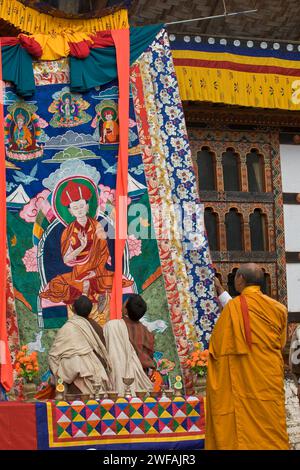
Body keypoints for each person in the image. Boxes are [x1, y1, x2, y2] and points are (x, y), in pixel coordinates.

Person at [206, 264, 289, 450]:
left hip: (243, 383)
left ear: (240, 279)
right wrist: (220, 290)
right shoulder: (278, 309)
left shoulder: (233, 309)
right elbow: (281, 344)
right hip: (269, 382)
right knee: (271, 429)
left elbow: (217, 350)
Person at [40, 180, 132, 305]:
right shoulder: (68, 232)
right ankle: (89, 296)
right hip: (78, 272)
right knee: (56, 284)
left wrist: (95, 271)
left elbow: (104, 253)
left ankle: (92, 296)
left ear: (88, 206)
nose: (79, 210)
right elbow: (66, 260)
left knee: (96, 281)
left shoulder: (97, 226)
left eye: (82, 206)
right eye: (75, 208)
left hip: (97, 271)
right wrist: (81, 247)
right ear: (70, 211)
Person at [48, 295, 112, 395]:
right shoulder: (97, 327)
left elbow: (53, 355)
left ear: (73, 309)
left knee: (77, 409)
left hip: (75, 381)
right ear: (90, 310)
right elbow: (104, 353)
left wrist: (58, 377)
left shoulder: (67, 328)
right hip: (96, 377)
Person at [103, 295, 154, 395]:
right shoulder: (147, 332)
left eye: (124, 302)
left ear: (125, 309)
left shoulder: (112, 326)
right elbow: (149, 356)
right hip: (141, 386)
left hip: (119, 381)